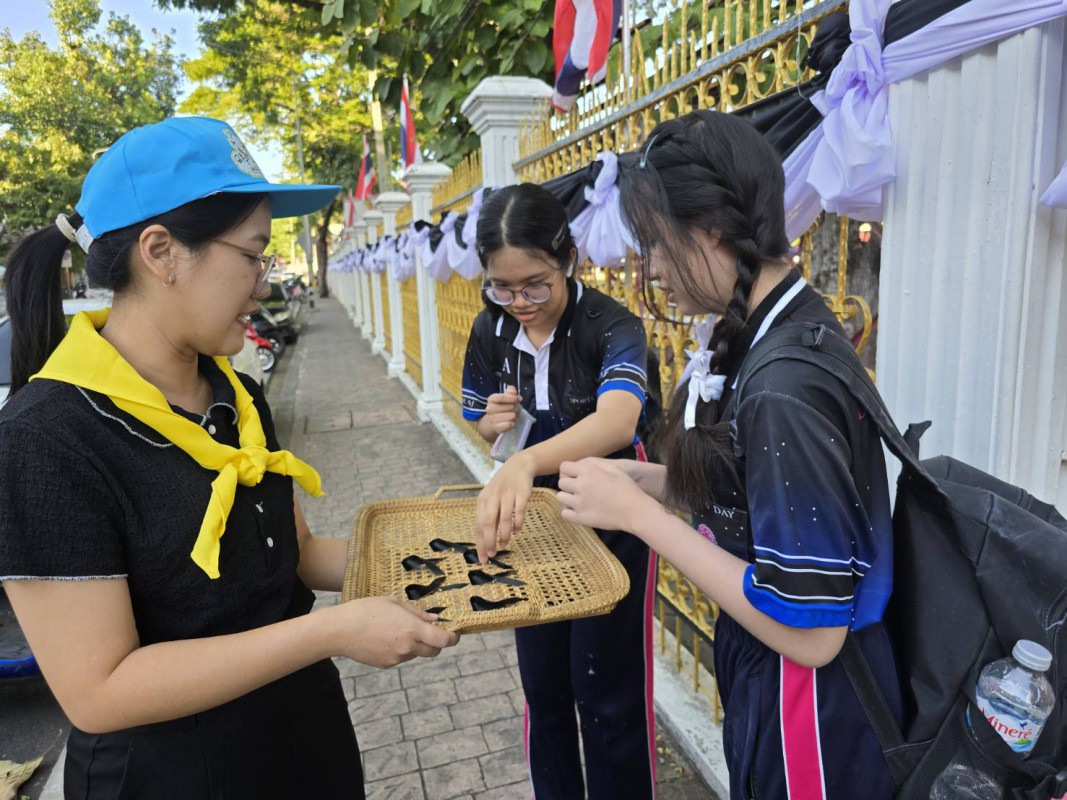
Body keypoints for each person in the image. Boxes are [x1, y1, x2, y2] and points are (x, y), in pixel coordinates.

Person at [0, 117, 458, 799]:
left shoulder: (234, 393)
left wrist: (451, 560)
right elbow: (100, 691)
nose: (265, 283)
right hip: (173, 775)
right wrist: (331, 631)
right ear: (161, 253)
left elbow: (292, 556)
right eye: (252, 255)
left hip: (303, 738)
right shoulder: (46, 441)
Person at [556, 110, 901, 800]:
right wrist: (651, 482)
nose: (649, 267)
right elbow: (758, 496)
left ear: (710, 229)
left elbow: (811, 634)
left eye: (655, 244)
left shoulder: (783, 386)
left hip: (809, 704)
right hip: (776, 681)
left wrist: (642, 518)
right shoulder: (774, 329)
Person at [461, 183, 657, 800]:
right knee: (543, 686)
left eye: (536, 284)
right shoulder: (490, 329)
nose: (520, 301)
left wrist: (524, 464)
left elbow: (618, 420)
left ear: (568, 257)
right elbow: (476, 413)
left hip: (612, 517)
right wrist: (490, 424)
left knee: (606, 689)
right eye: (503, 287)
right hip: (532, 524)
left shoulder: (612, 325)